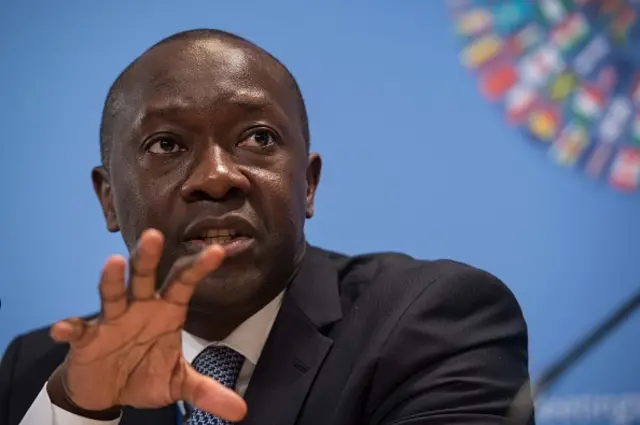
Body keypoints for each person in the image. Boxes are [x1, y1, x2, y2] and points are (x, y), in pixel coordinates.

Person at [0, 29, 534, 425]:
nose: (215, 178)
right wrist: (79, 414)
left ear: (308, 184)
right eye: (166, 144)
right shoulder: (41, 373)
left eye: (256, 139)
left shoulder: (433, 323)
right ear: (108, 199)